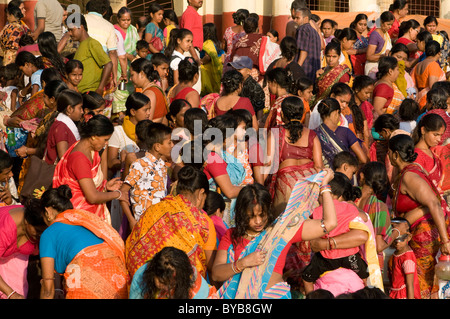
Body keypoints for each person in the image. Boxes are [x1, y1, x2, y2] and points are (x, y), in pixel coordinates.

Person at [212, 169, 337, 299]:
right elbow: (216, 274)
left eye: (262, 215)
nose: (258, 221)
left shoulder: (281, 230)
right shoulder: (232, 235)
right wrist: (243, 263)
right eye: (251, 217)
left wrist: (325, 187)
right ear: (242, 213)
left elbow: (330, 223)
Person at [125, 165, 217, 281]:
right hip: (182, 289)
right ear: (201, 193)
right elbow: (213, 268)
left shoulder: (154, 210)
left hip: (145, 285)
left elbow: (134, 247)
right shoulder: (204, 223)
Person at [38, 185, 128, 299]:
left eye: (43, 217)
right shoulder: (83, 220)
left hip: (85, 273)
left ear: (47, 211)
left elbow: (47, 289)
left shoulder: (48, 233)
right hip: (116, 271)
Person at [389, 134, 450, 299]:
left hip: (424, 239)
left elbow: (434, 203)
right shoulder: (406, 173)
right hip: (416, 235)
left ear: (395, 155)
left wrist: (445, 241)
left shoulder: (410, 176)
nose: (388, 157)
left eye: (389, 153)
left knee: (423, 283)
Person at [302, 172, 368, 294]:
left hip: (326, 257)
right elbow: (363, 217)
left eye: (320, 195)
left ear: (328, 194)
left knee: (306, 277)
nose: (318, 198)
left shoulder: (318, 210)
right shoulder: (349, 207)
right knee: (365, 275)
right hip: (349, 256)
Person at [52, 115, 126, 224]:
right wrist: (118, 194)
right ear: (93, 136)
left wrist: (105, 185)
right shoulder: (80, 158)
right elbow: (92, 197)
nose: (106, 143)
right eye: (105, 140)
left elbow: (87, 183)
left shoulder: (90, 150)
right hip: (80, 217)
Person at [265, 96, 323, 216]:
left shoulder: (276, 132)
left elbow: (268, 164)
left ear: (282, 115)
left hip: (286, 184)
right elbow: (318, 166)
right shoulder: (312, 135)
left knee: (284, 227)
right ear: (302, 115)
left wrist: (261, 186)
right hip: (309, 182)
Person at [119, 122, 173, 228]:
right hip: (142, 224)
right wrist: (131, 220)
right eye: (169, 143)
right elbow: (122, 193)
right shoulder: (139, 165)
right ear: (157, 146)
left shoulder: (162, 165)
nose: (172, 146)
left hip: (160, 223)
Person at [355, 161, 397, 272]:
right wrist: (397, 231)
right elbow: (378, 246)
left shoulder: (349, 197)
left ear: (362, 176)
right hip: (368, 266)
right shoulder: (379, 207)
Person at [0, 197, 45, 299]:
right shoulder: (5, 229)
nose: (40, 235)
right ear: (26, 222)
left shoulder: (37, 232)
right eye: (37, 231)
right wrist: (11, 293)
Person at [129, 246, 217, 299]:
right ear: (153, 272)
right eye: (162, 282)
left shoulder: (198, 288)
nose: (166, 288)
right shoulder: (140, 277)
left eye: (171, 284)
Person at [314, 97, 368, 168]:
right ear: (336, 112)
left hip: (324, 177)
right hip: (343, 176)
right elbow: (363, 159)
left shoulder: (314, 134)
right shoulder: (346, 132)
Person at [67, 13, 113, 96]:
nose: (69, 33)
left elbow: (108, 64)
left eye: (71, 30)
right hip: (81, 93)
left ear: (81, 27)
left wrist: (100, 88)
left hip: (90, 93)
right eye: (68, 31)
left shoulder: (92, 43)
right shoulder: (81, 45)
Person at [107, 92, 149, 175]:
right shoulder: (118, 131)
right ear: (133, 112)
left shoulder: (150, 129)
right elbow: (110, 162)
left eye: (149, 109)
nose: (149, 113)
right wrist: (125, 162)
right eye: (145, 110)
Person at [45, 89, 83, 165]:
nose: (82, 111)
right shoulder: (61, 127)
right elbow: (63, 157)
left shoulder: (63, 125)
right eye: (80, 108)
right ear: (69, 109)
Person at [387, 217, 421, 299]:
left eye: (401, 239)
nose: (397, 243)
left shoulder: (407, 259)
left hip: (404, 295)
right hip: (396, 292)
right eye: (395, 240)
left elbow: (410, 284)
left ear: (408, 237)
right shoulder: (397, 253)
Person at [412, 113, 446, 192]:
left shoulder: (431, 151)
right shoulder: (417, 155)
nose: (439, 139)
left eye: (441, 135)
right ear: (423, 130)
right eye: (435, 134)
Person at [129, 58, 168, 124]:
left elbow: (146, 122)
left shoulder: (149, 93)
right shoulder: (155, 88)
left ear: (141, 74)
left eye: (132, 75)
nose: (130, 79)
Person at [312, 42, 351, 107]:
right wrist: (317, 78)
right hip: (319, 105)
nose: (331, 60)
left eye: (334, 56)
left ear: (339, 56)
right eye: (328, 56)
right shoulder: (322, 71)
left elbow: (345, 94)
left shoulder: (342, 73)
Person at [411, 40, 446, 111]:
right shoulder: (433, 65)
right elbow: (433, 86)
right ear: (439, 53)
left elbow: (413, 84)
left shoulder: (418, 65)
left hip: (419, 99)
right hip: (428, 102)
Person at [229, 56, 266, 121]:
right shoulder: (234, 83)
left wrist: (258, 127)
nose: (236, 71)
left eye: (239, 69)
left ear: (249, 71)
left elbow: (259, 109)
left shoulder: (254, 87)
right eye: (234, 69)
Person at [229, 15, 264, 82]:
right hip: (260, 78)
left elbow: (232, 61)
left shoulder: (239, 42)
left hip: (242, 78)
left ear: (244, 29)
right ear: (257, 28)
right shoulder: (264, 40)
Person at [114, 6, 140, 91]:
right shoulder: (113, 30)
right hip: (117, 66)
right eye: (123, 20)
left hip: (132, 66)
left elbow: (138, 45)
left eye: (128, 20)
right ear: (118, 19)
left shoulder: (133, 30)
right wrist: (127, 55)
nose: (126, 23)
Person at [365, 11, 395, 79]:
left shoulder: (386, 34)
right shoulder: (375, 35)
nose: (390, 27)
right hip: (373, 68)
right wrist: (383, 56)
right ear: (381, 22)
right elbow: (369, 56)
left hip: (383, 67)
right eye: (388, 24)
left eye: (391, 24)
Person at [295, 7, 322, 82]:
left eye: (298, 18)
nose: (295, 20)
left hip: (304, 70)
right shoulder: (314, 31)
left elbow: (303, 51)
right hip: (314, 71)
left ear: (306, 18)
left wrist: (297, 68)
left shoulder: (302, 29)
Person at [200, 23, 224, 96]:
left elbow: (208, 56)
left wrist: (201, 62)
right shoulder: (219, 44)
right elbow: (223, 59)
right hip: (217, 72)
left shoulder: (207, 43)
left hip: (208, 73)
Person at [179, 0, 204, 68]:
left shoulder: (193, 13)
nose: (201, 0)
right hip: (190, 53)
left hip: (192, 52)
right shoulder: (190, 13)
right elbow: (186, 37)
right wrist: (195, 57)